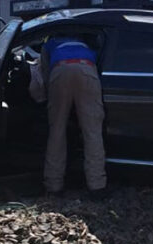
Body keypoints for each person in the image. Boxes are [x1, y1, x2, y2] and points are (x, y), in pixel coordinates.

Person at [40, 34, 107, 199]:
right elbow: (99, 64)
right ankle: (97, 187)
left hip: (59, 70)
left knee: (57, 130)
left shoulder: (50, 41)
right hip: (87, 69)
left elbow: (44, 74)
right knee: (92, 132)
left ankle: (53, 186)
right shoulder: (89, 41)